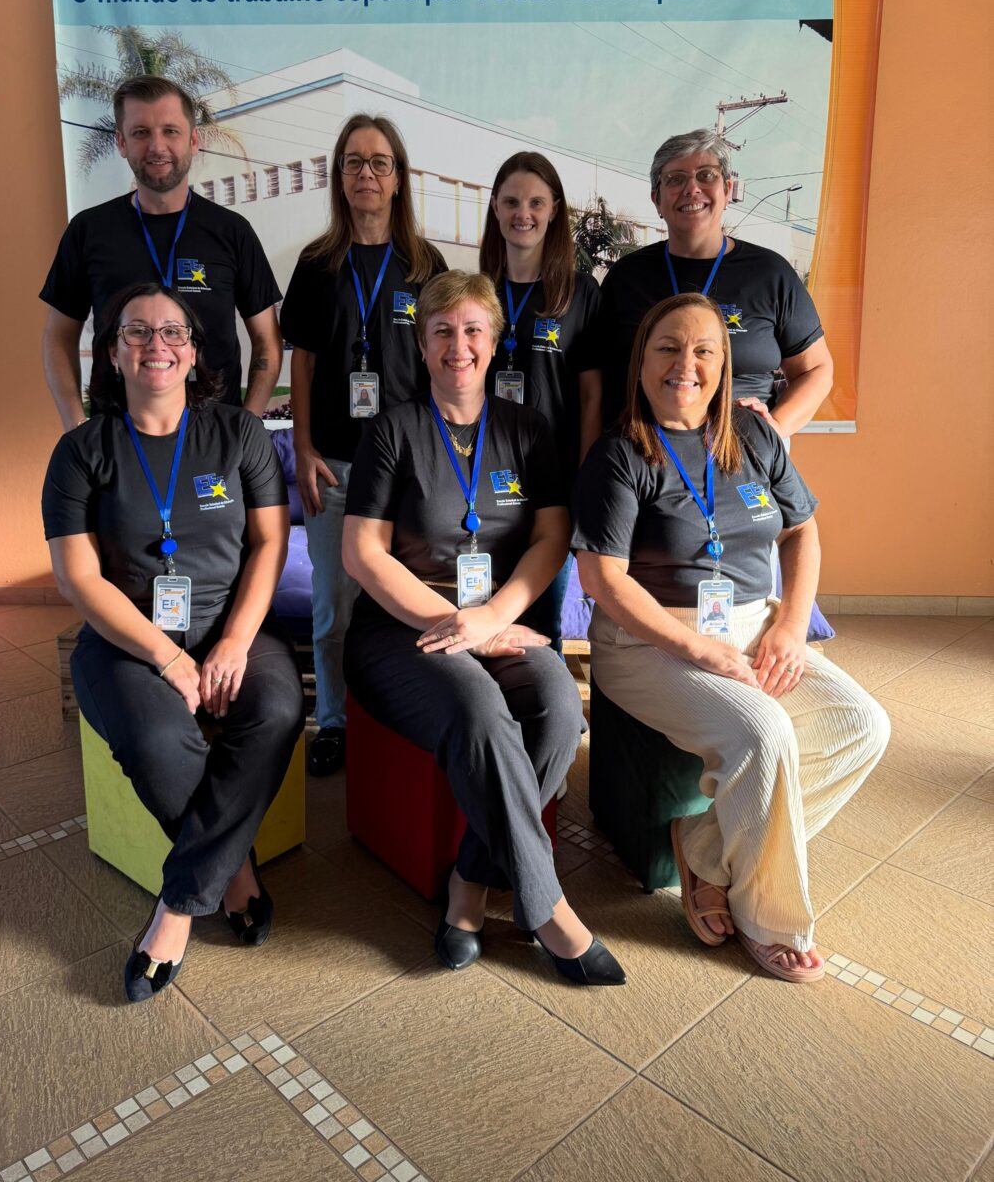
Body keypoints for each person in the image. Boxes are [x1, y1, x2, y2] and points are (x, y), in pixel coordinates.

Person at [573, 293, 888, 982]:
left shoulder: (755, 434)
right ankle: (768, 916)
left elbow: (802, 532)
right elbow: (602, 579)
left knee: (861, 724)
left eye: (703, 351)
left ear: (724, 365)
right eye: (667, 348)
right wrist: (699, 649)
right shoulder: (619, 454)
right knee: (762, 733)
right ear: (641, 360)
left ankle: (705, 848)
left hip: (753, 626)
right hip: (648, 642)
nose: (684, 365)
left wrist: (790, 626)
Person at [341, 271, 625, 986]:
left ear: (495, 343)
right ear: (421, 344)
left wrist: (493, 619)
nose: (457, 345)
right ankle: (547, 907)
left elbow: (552, 538)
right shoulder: (392, 430)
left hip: (495, 623)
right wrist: (456, 624)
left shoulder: (527, 430)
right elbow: (362, 553)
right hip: (400, 629)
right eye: (441, 331)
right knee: (478, 709)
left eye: (472, 330)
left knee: (558, 707)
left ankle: (470, 879)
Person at [42, 282, 305, 1002]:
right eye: (136, 331)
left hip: (230, 623)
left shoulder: (239, 435)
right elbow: (78, 577)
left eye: (172, 332)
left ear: (193, 353)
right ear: (111, 353)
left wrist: (234, 643)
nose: (155, 344)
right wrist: (166, 656)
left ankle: (180, 903)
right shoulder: (80, 452)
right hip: (125, 638)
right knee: (157, 740)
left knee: (278, 710)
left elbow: (269, 544)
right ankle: (235, 871)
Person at [280, 114, 447, 777]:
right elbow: (302, 363)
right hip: (335, 466)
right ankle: (336, 722)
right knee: (334, 607)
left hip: (406, 471)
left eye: (380, 162)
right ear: (339, 177)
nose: (367, 174)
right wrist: (302, 448)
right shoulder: (317, 264)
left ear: (398, 178)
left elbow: (442, 367)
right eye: (354, 162)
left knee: (407, 601)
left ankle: (397, 718)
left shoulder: (425, 266)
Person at [41, 75, 283, 429]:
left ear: (193, 140)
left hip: (217, 439)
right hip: (117, 440)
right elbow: (59, 337)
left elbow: (267, 342)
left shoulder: (232, 232)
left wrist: (247, 427)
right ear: (121, 142)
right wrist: (75, 426)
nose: (157, 146)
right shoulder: (89, 231)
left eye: (170, 131)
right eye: (141, 132)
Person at [598, 129, 833, 435]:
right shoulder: (626, 277)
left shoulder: (770, 274)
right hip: (641, 452)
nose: (691, 189)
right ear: (657, 199)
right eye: (675, 179)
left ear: (727, 189)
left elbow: (816, 369)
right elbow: (594, 379)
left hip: (742, 452)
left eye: (706, 175)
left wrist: (773, 432)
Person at [479, 152, 602, 648]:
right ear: (495, 208)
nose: (522, 213)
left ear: (554, 210)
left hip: (553, 483)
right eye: (511, 202)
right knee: (482, 610)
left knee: (540, 623)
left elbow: (591, 395)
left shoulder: (580, 293)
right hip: (483, 475)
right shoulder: (479, 291)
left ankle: (542, 695)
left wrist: (585, 478)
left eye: (535, 202)